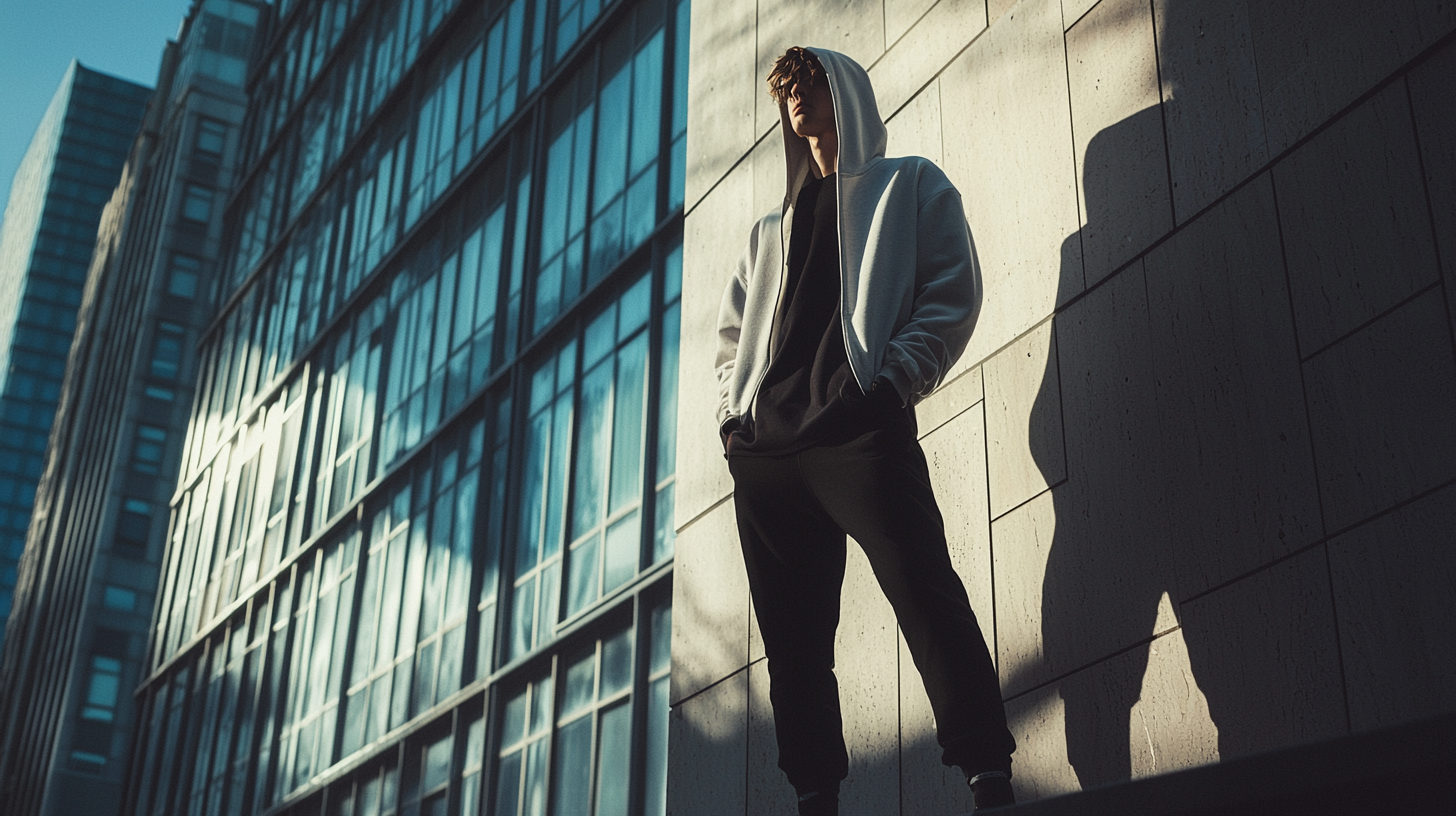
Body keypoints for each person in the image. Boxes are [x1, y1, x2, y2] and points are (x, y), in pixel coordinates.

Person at [714, 47, 1017, 814]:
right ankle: (815, 793)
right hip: (768, 457)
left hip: (857, 433)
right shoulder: (767, 231)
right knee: (794, 645)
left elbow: (953, 290)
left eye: (809, 82)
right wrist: (735, 419)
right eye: (786, 89)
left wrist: (889, 388)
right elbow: (731, 342)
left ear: (845, 89)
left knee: (925, 592)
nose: (796, 99)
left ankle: (987, 773)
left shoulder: (907, 185)